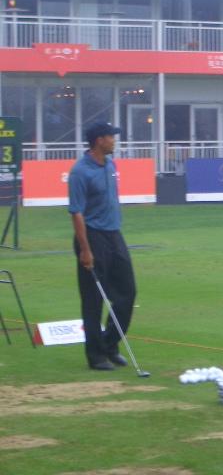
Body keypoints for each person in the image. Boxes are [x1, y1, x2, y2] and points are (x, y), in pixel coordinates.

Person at [68, 122, 136, 371]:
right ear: (99, 140)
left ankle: (110, 344)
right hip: (92, 236)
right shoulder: (80, 172)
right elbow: (76, 213)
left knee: (128, 292)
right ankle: (96, 355)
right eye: (111, 136)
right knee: (93, 299)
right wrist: (85, 249)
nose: (114, 140)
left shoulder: (110, 164)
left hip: (114, 234)